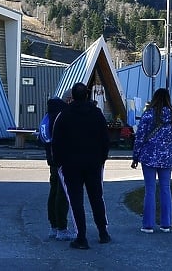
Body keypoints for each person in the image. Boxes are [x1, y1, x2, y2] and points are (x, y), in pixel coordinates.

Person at [51, 82, 111, 249]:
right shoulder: (97, 114)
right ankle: (103, 232)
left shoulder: (64, 115)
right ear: (88, 94)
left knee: (76, 201)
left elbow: (56, 142)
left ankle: (81, 237)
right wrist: (102, 159)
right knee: (97, 197)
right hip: (93, 163)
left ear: (72, 97)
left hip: (71, 164)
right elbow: (105, 139)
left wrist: (59, 162)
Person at [131, 87, 172, 234]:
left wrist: (135, 157)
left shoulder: (148, 115)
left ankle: (148, 224)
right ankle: (166, 224)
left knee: (150, 190)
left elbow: (140, 137)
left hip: (149, 156)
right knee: (166, 189)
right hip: (167, 157)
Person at [41, 94, 71, 241]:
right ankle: (62, 228)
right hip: (62, 158)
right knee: (63, 193)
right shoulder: (63, 114)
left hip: (51, 158)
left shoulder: (50, 112)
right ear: (69, 99)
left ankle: (53, 226)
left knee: (53, 191)